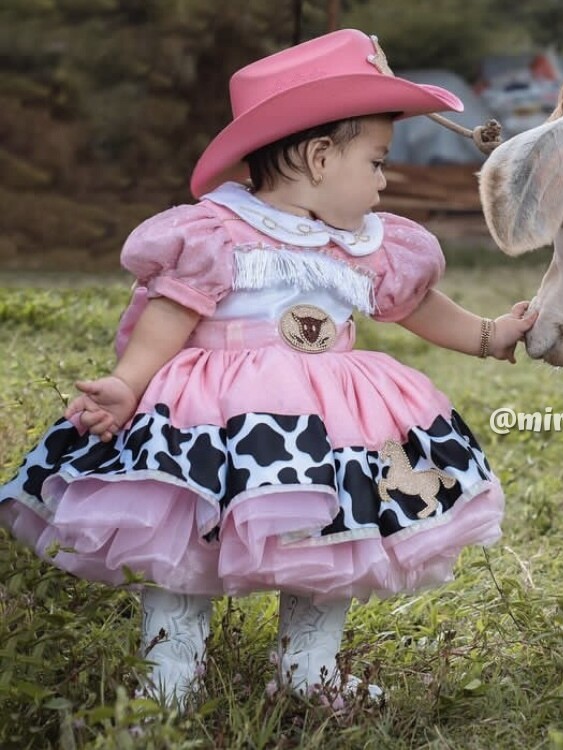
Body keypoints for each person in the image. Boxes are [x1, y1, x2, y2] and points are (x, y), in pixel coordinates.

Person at [0, 28, 535, 708]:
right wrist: (128, 383)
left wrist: (489, 334)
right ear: (317, 157)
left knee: (332, 540)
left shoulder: (365, 245)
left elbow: (418, 305)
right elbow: (172, 312)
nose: (383, 179)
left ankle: (306, 670)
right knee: (186, 544)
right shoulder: (217, 231)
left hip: (328, 426)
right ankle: (170, 679)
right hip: (218, 421)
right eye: (375, 161)